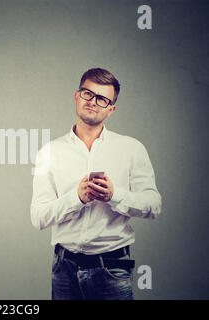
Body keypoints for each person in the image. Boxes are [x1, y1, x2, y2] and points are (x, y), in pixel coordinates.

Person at [30, 68, 162, 300]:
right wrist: (77, 198)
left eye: (102, 99)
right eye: (87, 94)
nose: (93, 102)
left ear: (111, 109)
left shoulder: (132, 149)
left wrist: (115, 195)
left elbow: (154, 206)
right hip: (64, 269)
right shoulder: (48, 152)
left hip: (113, 267)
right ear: (76, 96)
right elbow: (38, 216)